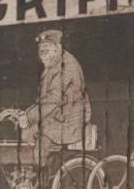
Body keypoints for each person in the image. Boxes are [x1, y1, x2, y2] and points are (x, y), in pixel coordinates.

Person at [8, 28, 92, 160]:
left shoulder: (65, 66)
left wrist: (29, 118)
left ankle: (42, 177)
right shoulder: (54, 63)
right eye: (41, 50)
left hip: (69, 120)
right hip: (59, 116)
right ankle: (31, 178)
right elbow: (44, 99)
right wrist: (25, 115)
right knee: (25, 135)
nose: (42, 54)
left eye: (46, 49)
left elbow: (52, 99)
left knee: (38, 151)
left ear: (57, 48)